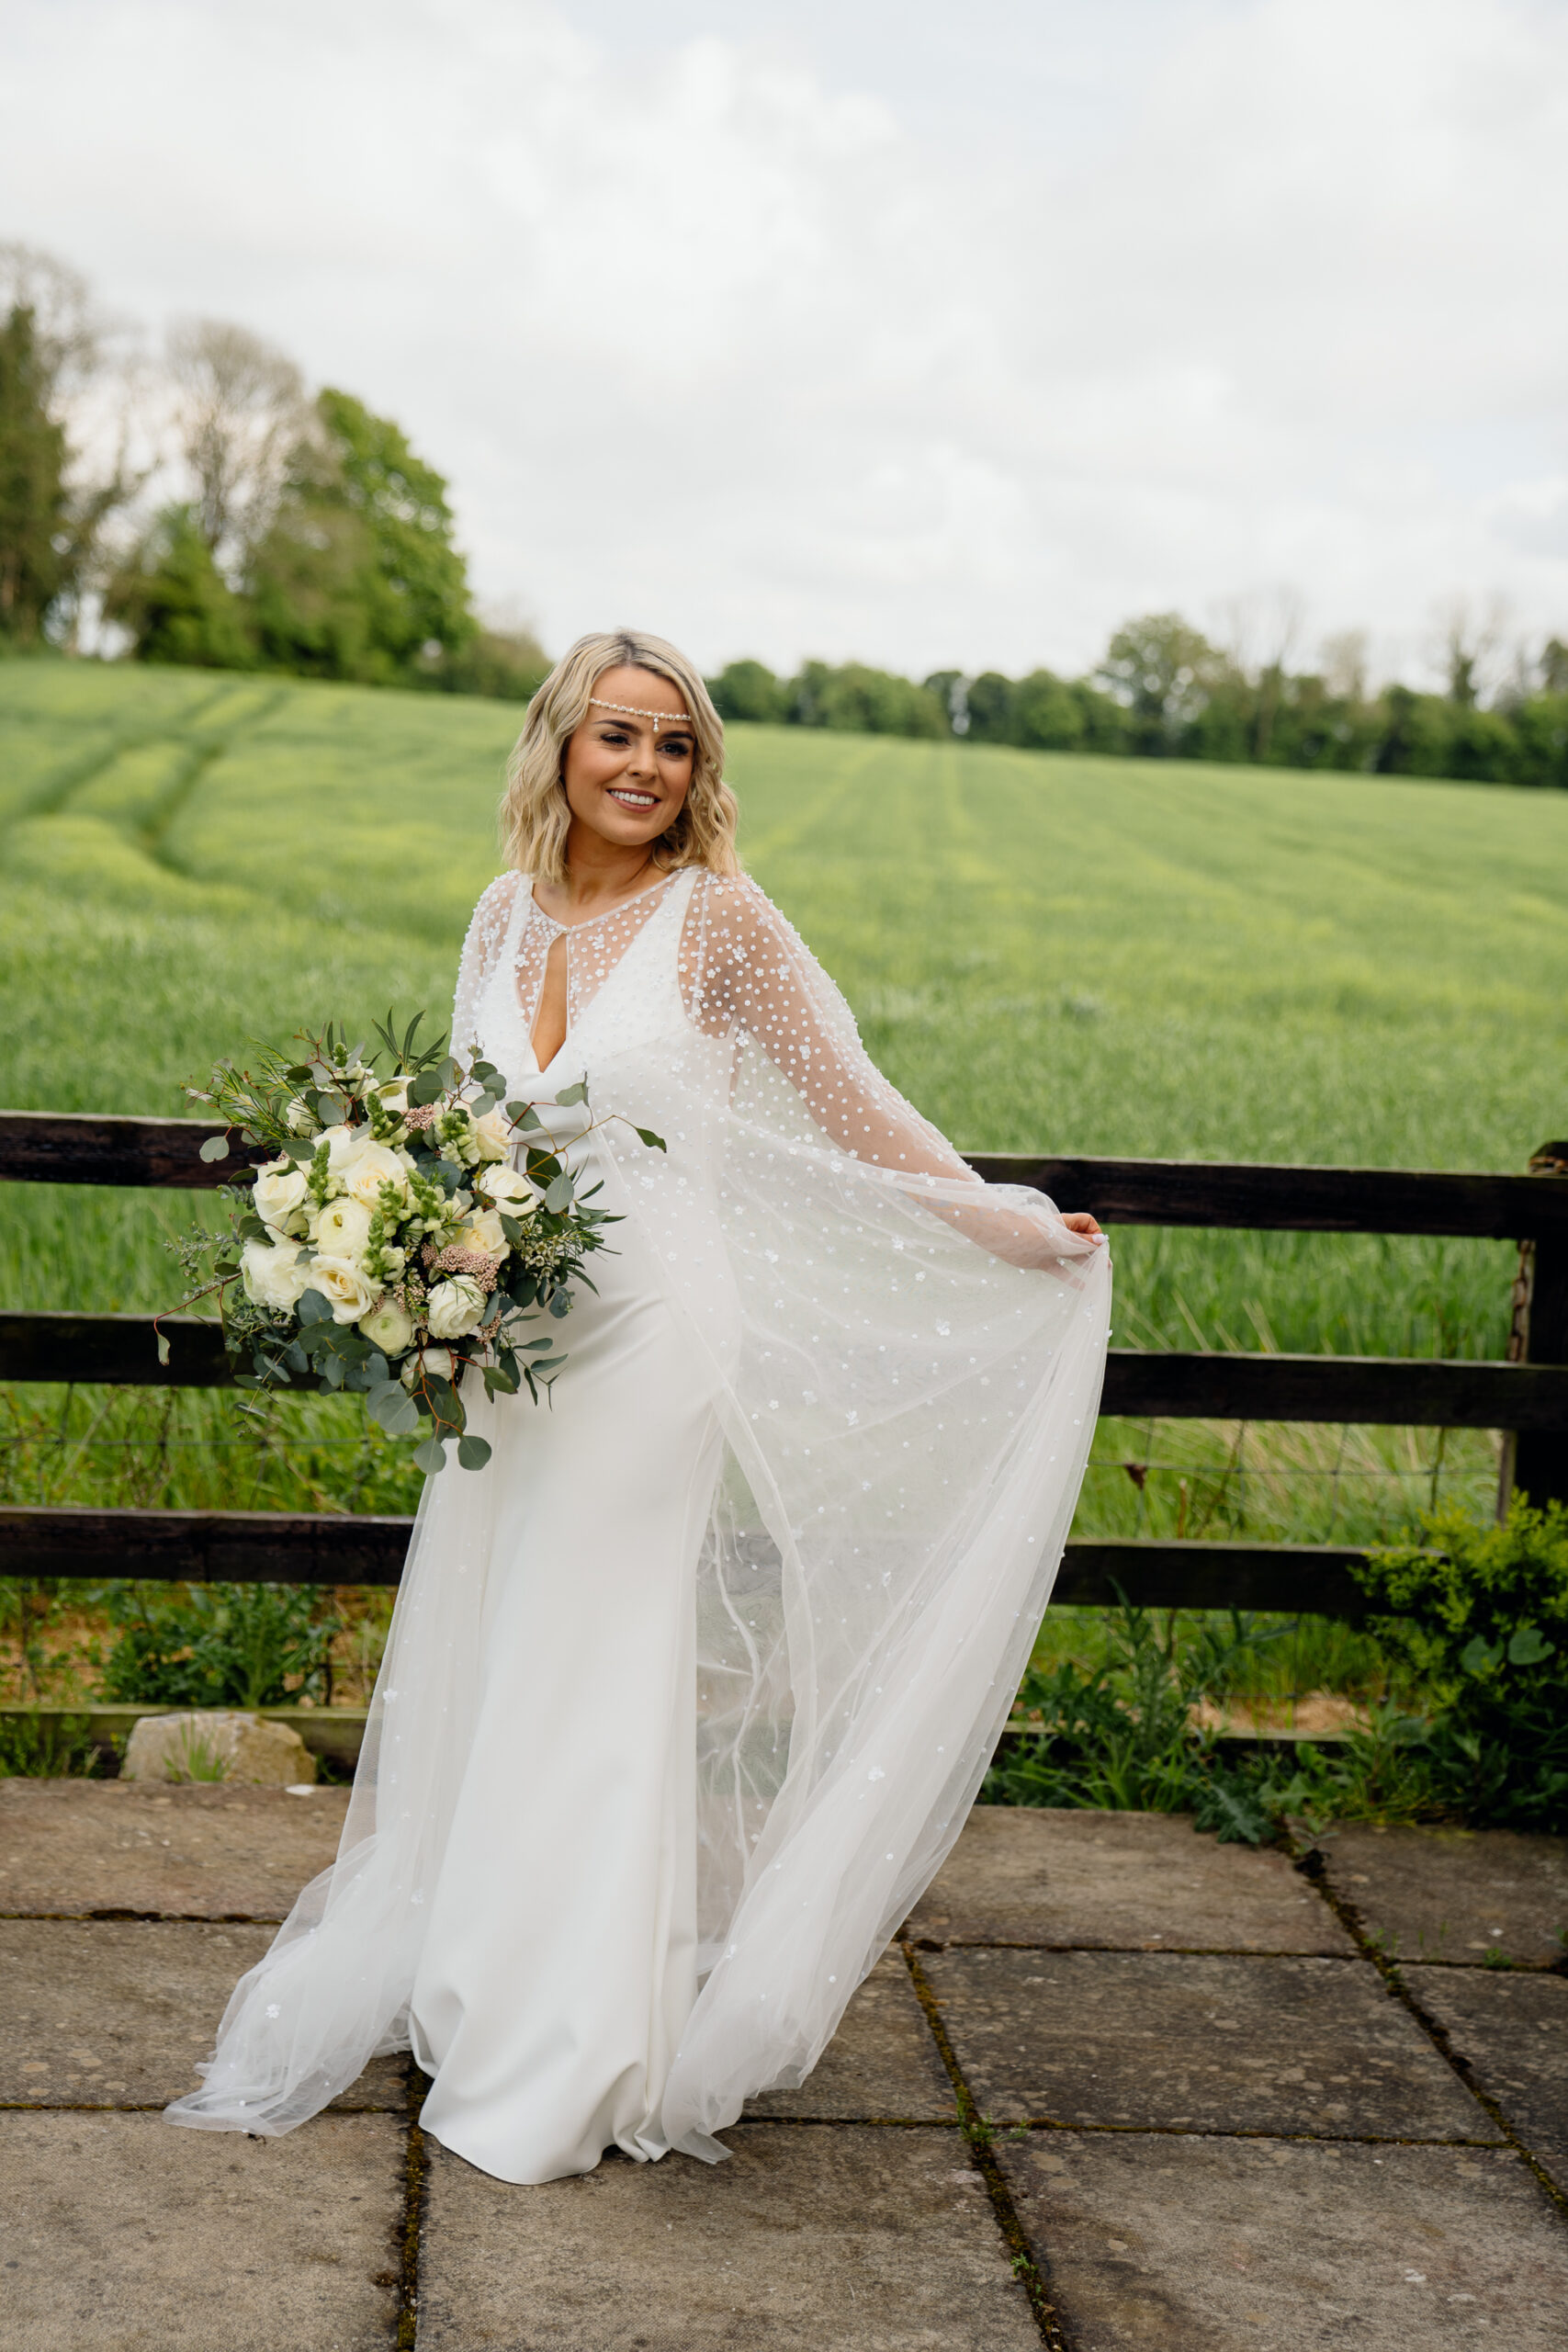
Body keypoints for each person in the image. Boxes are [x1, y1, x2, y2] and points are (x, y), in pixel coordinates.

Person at [166, 628, 1111, 2184]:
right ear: (558, 743)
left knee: (593, 1670)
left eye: (674, 745)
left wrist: (995, 1219)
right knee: (503, 1659)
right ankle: (479, 1995)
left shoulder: (718, 922)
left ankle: (574, 2053)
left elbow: (848, 1102)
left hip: (655, 1344)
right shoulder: (498, 913)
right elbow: (462, 1122)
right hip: (509, 1355)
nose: (645, 768)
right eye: (618, 736)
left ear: (699, 771)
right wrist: (401, 1241)